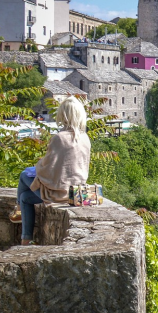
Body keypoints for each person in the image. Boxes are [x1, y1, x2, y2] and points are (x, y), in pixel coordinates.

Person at [14, 97, 92, 245]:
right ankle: (25, 241)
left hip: (59, 193)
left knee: (24, 174)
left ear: (63, 114)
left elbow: (47, 168)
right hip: (75, 192)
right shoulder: (85, 138)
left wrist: (37, 166)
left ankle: (17, 210)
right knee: (25, 197)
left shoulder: (59, 138)